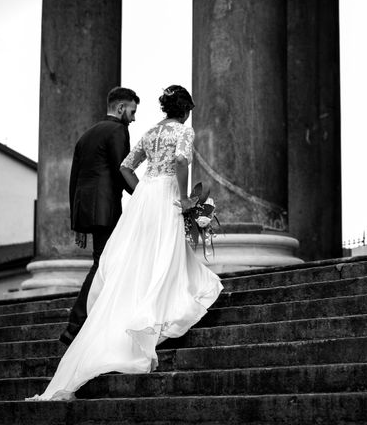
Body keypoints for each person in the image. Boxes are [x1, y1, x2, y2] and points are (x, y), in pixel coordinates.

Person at [27, 85, 223, 401]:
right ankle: (158, 307)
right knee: (164, 250)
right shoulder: (183, 131)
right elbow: (183, 160)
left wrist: (144, 191)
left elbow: (125, 167)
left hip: (146, 197)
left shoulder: (148, 133)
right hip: (168, 194)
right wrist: (185, 198)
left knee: (142, 253)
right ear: (185, 110)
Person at [59, 86, 140, 347]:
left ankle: (96, 319)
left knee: (105, 261)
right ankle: (75, 325)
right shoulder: (118, 130)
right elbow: (122, 169)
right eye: (132, 111)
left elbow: (75, 180)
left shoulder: (86, 135)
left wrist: (77, 222)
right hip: (105, 208)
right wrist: (144, 195)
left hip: (87, 208)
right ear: (120, 108)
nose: (134, 118)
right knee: (103, 263)